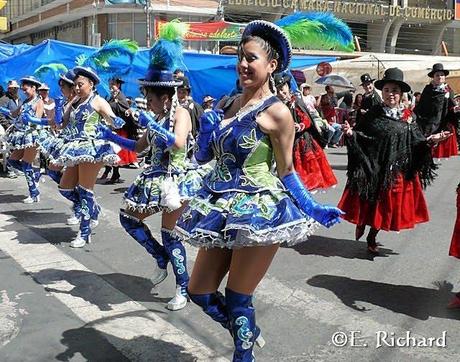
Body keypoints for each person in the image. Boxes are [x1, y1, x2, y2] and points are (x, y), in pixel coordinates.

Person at [175, 20, 342, 361]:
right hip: (219, 207)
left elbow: (286, 170)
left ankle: (244, 351)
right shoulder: (226, 104)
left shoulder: (277, 113)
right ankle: (247, 332)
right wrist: (206, 131)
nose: (243, 65)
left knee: (238, 297)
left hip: (258, 211)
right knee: (199, 291)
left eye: (251, 58)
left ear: (272, 65)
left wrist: (312, 208)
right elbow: (204, 156)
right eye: (240, 57)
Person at [96, 21, 210, 311]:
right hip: (154, 179)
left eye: (150, 98)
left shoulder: (181, 113)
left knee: (170, 234)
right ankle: (161, 258)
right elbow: (140, 147)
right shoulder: (156, 118)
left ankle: (183, 287)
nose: (146, 102)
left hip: (177, 180)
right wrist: (110, 136)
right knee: (128, 218)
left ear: (165, 97)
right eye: (146, 97)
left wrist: (151, 124)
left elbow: (179, 143)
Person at [338, 68, 449, 254]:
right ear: (383, 92)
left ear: (401, 94)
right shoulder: (374, 113)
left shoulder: (409, 117)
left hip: (397, 170)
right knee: (371, 204)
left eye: (395, 91)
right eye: (388, 90)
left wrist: (431, 141)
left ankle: (372, 234)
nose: (391, 94)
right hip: (375, 167)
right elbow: (362, 135)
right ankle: (364, 225)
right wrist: (351, 134)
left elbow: (417, 141)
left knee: (386, 207)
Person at [51, 66, 123, 248]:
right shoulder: (74, 102)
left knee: (84, 191)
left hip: (92, 149)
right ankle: (93, 209)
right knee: (65, 188)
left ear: (91, 84)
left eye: (80, 85)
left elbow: (113, 120)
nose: (76, 88)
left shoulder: (97, 101)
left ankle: (84, 232)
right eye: (75, 85)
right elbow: (61, 125)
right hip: (74, 148)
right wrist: (60, 108)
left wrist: (121, 119)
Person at [274, 72, 336, 192]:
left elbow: (306, 119)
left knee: (305, 168)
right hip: (286, 141)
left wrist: (300, 126)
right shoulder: (277, 105)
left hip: (302, 140)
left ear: (287, 86)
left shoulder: (296, 102)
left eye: (282, 89)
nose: (281, 93)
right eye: (277, 91)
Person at [1, 76, 45, 203]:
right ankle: (35, 173)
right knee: (12, 160)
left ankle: (34, 193)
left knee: (26, 164)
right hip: (22, 136)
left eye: (26, 89)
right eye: (23, 90)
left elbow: (38, 120)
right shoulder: (25, 102)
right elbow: (14, 114)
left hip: (33, 136)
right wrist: (2, 110)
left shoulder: (39, 102)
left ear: (34, 88)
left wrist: (30, 120)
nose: (24, 92)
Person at [414, 63, 460, 159]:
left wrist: (455, 109)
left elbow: (452, 106)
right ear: (433, 77)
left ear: (444, 77)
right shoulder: (427, 90)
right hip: (428, 120)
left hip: (442, 120)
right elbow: (421, 105)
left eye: (442, 75)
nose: (439, 77)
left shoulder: (448, 90)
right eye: (437, 75)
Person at [100, 77, 138, 183]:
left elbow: (123, 108)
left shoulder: (120, 96)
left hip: (120, 128)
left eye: (113, 84)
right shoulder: (111, 96)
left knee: (116, 151)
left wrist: (109, 105)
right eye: (110, 84)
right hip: (112, 126)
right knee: (111, 150)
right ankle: (113, 172)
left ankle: (114, 173)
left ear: (118, 85)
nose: (111, 86)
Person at [0, 80, 23, 178]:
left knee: (19, 147)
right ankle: (10, 169)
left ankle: (15, 167)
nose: (15, 89)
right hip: (9, 127)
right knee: (10, 147)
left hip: (19, 126)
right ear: (9, 88)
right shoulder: (4, 99)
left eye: (16, 88)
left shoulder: (20, 99)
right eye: (13, 88)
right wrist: (8, 125)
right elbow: (1, 115)